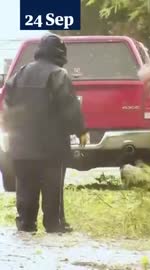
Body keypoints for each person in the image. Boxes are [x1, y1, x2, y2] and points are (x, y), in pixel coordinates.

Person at [2, 34, 87, 233]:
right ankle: (54, 224)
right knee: (52, 185)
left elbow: (8, 102)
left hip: (21, 144)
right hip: (51, 145)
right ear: (60, 52)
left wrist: (11, 129)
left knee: (25, 186)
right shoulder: (58, 74)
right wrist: (81, 130)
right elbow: (69, 107)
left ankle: (26, 223)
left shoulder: (21, 72)